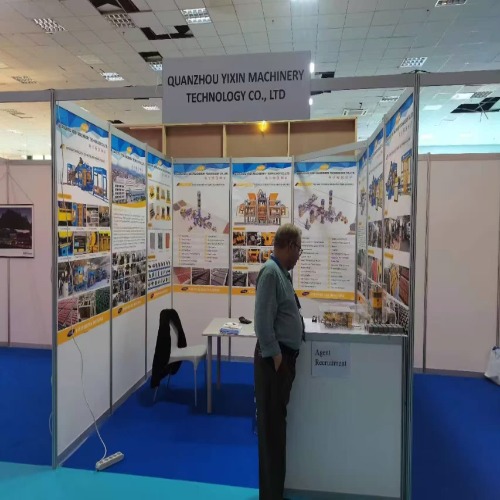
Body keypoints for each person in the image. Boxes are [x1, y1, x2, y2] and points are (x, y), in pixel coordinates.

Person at [254, 223, 304, 500]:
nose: (298, 256)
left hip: (281, 361)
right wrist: (277, 359)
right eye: (298, 249)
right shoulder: (271, 273)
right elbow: (262, 323)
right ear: (289, 246)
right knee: (271, 432)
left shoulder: (281, 273)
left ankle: (275, 492)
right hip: (273, 362)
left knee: (276, 429)